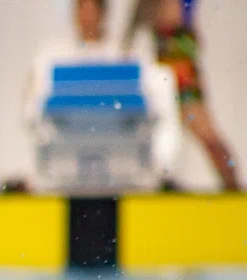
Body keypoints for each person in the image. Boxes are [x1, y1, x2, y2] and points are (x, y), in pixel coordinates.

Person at [25, 0, 182, 189]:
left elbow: (155, 108)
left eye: (92, 11)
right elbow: (32, 112)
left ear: (103, 13)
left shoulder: (127, 54)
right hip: (66, 161)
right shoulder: (52, 55)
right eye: (82, 10)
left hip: (125, 160)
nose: (87, 18)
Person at [123, 0, 239, 191]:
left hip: (178, 64)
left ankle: (233, 187)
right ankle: (166, 181)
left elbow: (168, 18)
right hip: (160, 64)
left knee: (204, 132)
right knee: (163, 133)